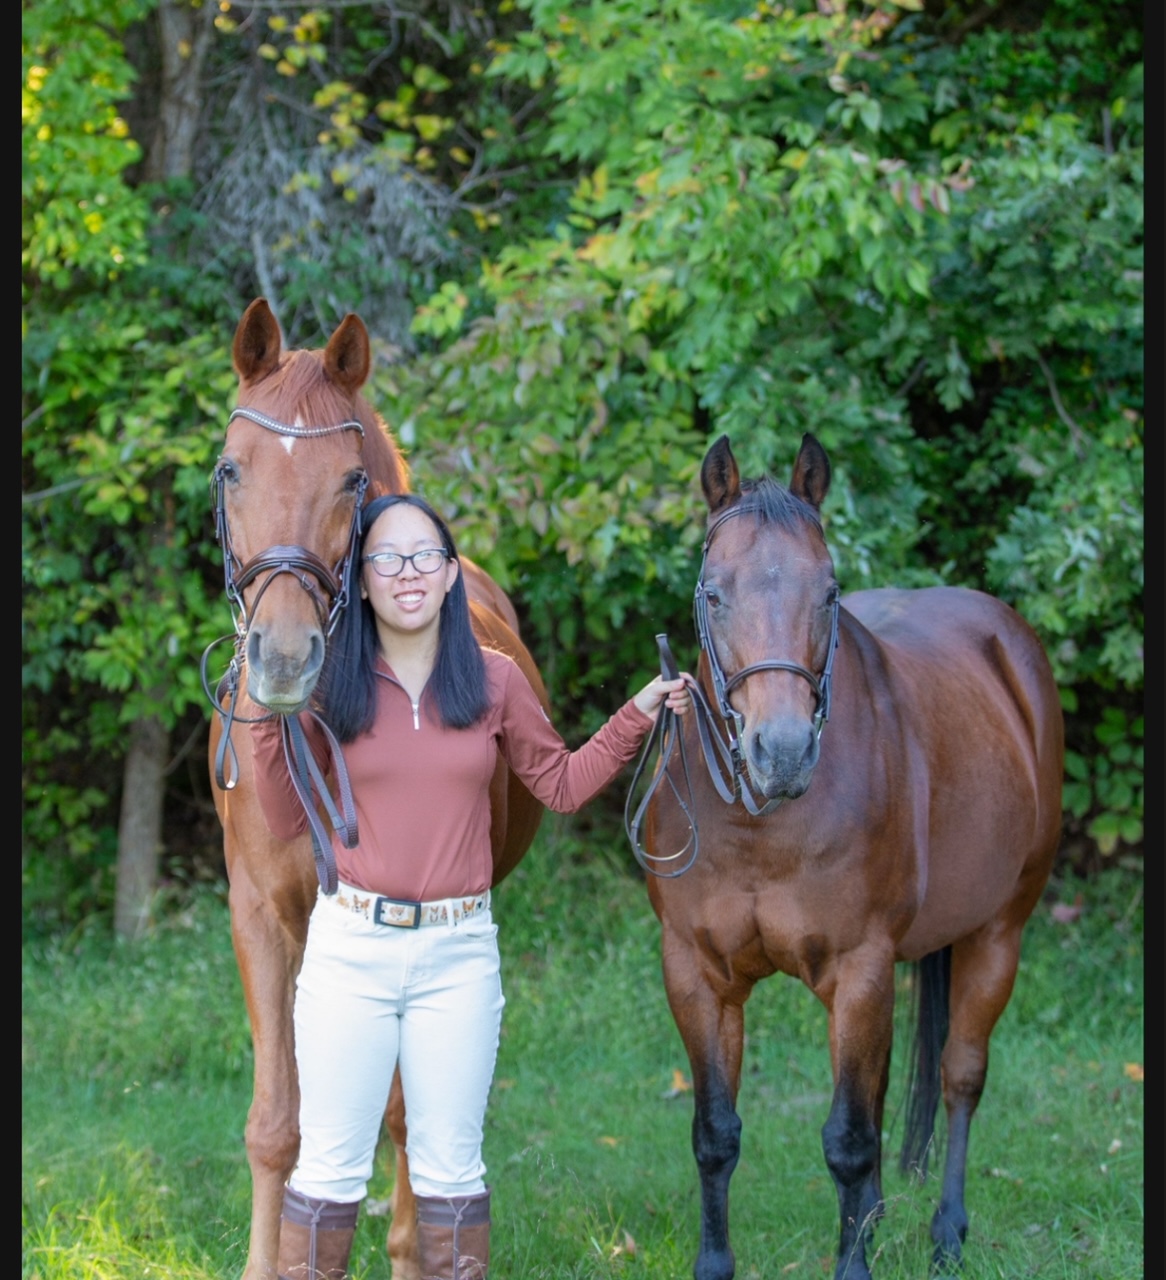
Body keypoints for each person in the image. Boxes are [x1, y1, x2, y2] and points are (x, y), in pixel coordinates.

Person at [249, 492, 692, 1280]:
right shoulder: (334, 685)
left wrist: (637, 713)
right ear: (362, 578)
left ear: (452, 574)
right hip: (352, 948)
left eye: (424, 555)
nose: (406, 571)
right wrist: (264, 710)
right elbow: (285, 818)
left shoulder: (492, 680)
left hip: (459, 953)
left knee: (453, 1174)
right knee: (329, 1173)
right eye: (385, 557)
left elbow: (557, 784)